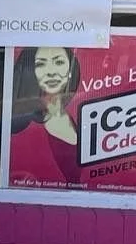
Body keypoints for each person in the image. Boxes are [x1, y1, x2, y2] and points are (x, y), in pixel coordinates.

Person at [8, 45, 82, 187]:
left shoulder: (80, 116)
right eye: (41, 64)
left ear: (71, 70)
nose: (51, 72)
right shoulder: (20, 127)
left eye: (59, 62)